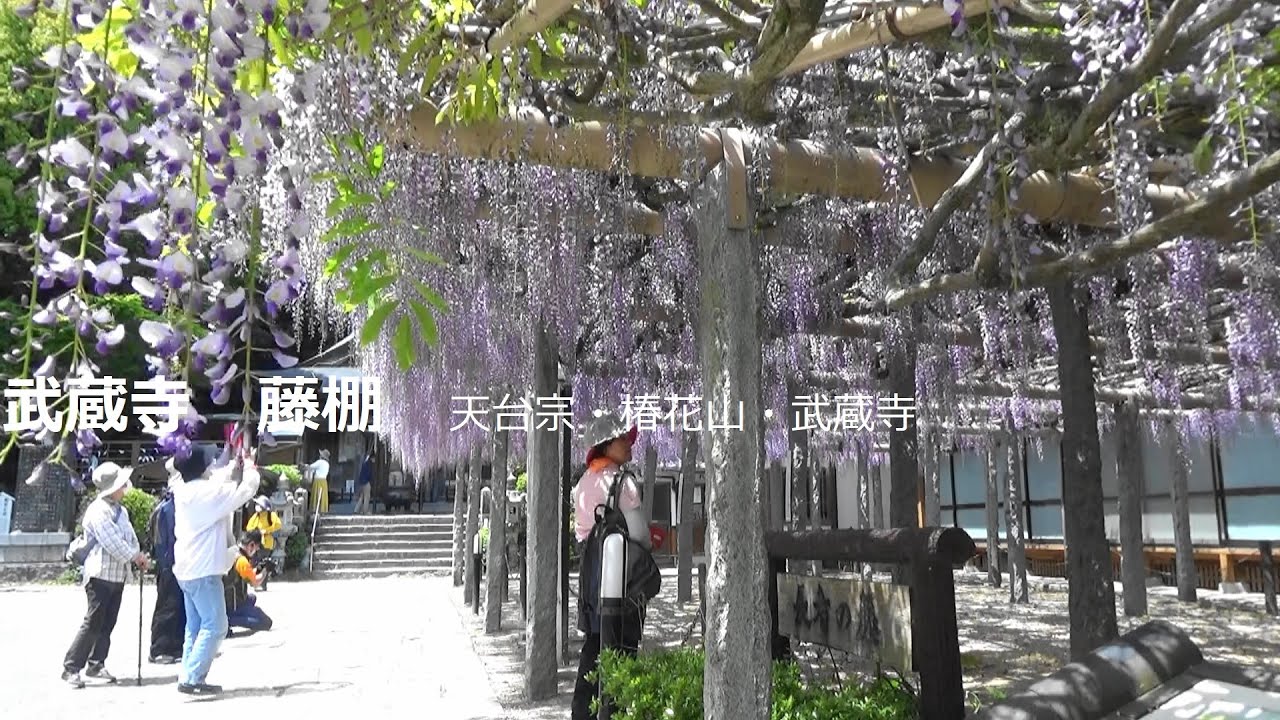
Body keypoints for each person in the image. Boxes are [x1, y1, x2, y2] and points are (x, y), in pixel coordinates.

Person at [570, 414, 652, 720]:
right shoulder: (623, 482)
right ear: (606, 445)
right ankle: (613, 713)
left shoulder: (582, 484)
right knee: (622, 646)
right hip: (622, 582)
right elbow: (640, 535)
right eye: (623, 440)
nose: (630, 444)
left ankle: (583, 712)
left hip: (592, 579)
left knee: (594, 645)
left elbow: (581, 535)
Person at [172, 442, 261, 696]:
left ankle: (188, 674)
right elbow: (245, 490)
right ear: (201, 468)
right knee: (216, 625)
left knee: (196, 627)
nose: (213, 465)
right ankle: (191, 677)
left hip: (187, 569)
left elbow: (222, 478)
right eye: (208, 462)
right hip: (203, 571)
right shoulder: (205, 493)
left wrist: (236, 462)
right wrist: (252, 467)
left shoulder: (185, 489)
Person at [62, 462, 150, 688]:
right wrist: (134, 556)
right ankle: (71, 667)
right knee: (93, 621)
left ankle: (96, 663)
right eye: (121, 484)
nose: (125, 488)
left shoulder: (121, 510)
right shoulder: (98, 510)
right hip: (100, 574)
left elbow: (130, 538)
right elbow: (112, 542)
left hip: (116, 575)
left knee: (108, 622)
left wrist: (137, 554)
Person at [147, 468, 185, 665]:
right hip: (169, 565)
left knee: (178, 606)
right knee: (167, 607)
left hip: (177, 563)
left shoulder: (175, 507)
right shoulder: (167, 509)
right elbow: (165, 541)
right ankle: (160, 648)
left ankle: (176, 645)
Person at [225, 531, 274, 634]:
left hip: (227, 599)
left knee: (252, 598)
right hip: (234, 604)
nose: (256, 551)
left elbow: (247, 574)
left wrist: (259, 568)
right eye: (256, 548)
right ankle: (227, 621)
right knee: (266, 622)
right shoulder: (242, 561)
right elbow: (255, 583)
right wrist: (265, 570)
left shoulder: (234, 552)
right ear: (251, 545)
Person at [244, 496, 281, 588]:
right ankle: (254, 581)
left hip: (266, 543)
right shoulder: (256, 516)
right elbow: (249, 527)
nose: (257, 507)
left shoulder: (270, 515)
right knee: (254, 562)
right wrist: (256, 531)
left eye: (259, 505)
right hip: (256, 543)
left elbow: (278, 524)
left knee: (263, 563)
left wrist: (266, 530)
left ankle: (263, 583)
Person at [305, 449, 330, 514]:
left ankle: (315, 509)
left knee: (317, 494)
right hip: (324, 481)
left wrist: (306, 466)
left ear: (322, 456)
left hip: (318, 481)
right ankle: (322, 510)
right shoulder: (327, 464)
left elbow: (311, 467)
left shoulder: (320, 462)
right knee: (322, 495)